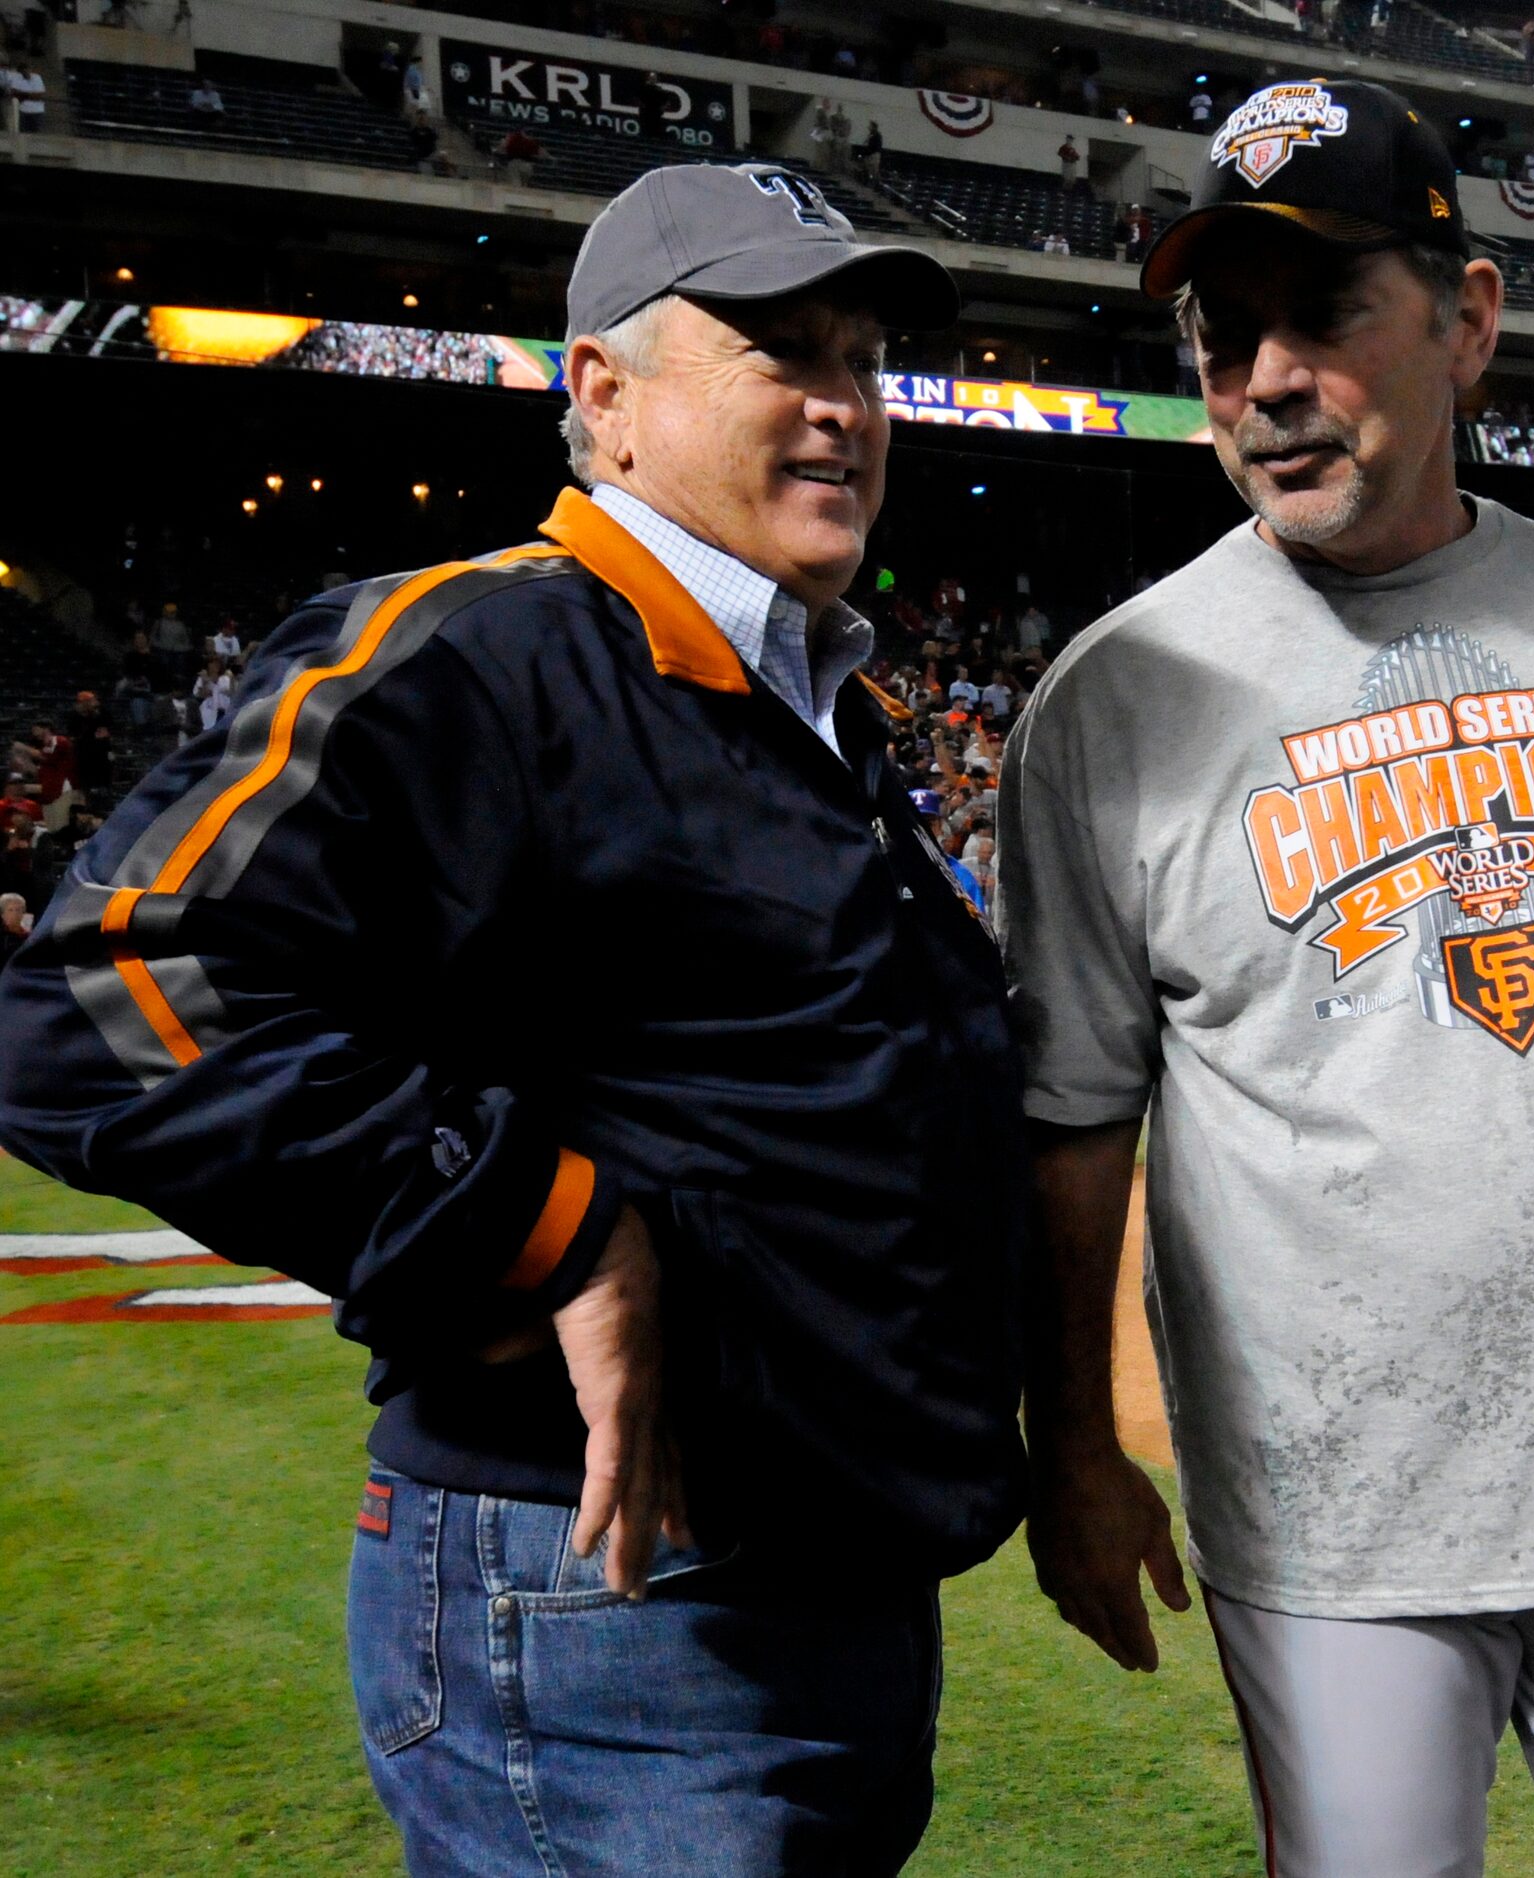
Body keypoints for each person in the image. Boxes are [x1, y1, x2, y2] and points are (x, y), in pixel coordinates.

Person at [0, 161, 1028, 1876]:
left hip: (813, 1586)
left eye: (860, 359)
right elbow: (94, 997)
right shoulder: (471, 652)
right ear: (604, 397)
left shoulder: (801, 696)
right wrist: (550, 1223)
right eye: (779, 350)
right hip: (614, 1596)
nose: (843, 405)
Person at [998, 80, 1534, 1878]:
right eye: (1220, 334)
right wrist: (1071, 1447)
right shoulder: (1113, 697)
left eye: (1323, 317)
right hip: (1336, 1522)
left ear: (1466, 321)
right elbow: (1074, 1120)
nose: (1264, 380)